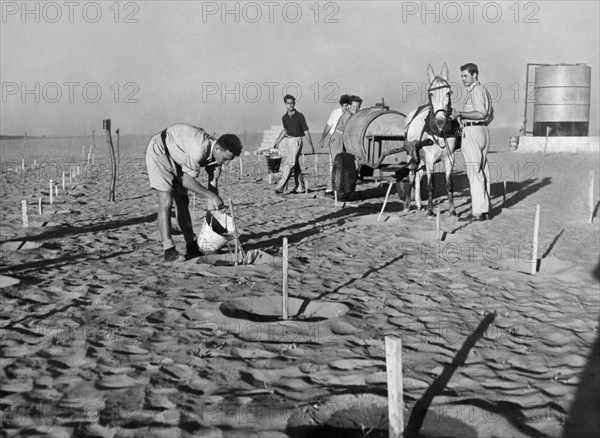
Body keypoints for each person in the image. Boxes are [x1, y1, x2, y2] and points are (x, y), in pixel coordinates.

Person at [145, 123, 242, 261]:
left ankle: (191, 246)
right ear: (218, 148)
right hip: (160, 150)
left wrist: (215, 213)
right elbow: (187, 182)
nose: (225, 163)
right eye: (225, 159)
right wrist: (213, 196)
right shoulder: (199, 149)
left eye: (229, 161)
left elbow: (212, 188)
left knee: (183, 200)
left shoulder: (216, 156)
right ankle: (169, 250)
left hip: (178, 156)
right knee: (166, 200)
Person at [450, 63, 494, 221]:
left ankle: (477, 212)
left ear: (475, 75)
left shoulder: (476, 90)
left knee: (474, 172)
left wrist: (460, 114)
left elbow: (481, 113)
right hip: (482, 131)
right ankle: (485, 210)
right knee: (482, 171)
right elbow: (491, 115)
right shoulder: (483, 90)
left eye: (465, 76)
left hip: (473, 132)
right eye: (461, 76)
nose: (463, 79)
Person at [272, 94, 315, 194]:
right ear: (285, 104)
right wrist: (277, 141)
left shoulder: (300, 116)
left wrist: (311, 145)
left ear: (294, 103)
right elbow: (285, 130)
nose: (290, 105)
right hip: (289, 141)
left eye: (292, 103)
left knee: (289, 163)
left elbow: (306, 131)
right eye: (288, 103)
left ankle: (280, 186)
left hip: (297, 140)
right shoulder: (284, 118)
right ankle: (300, 187)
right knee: (295, 165)